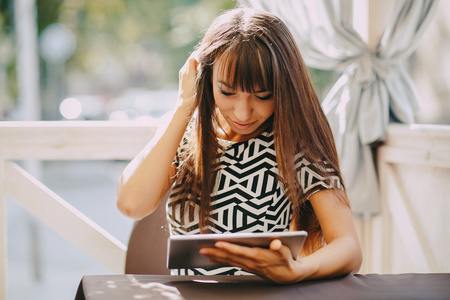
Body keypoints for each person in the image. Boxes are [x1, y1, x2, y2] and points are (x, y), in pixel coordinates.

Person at [117, 7, 362, 284]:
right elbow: (131, 205)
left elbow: (348, 246)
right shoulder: (187, 133)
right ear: (205, 76)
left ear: (283, 88)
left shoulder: (294, 144)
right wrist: (184, 104)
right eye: (227, 92)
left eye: (262, 95)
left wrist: (298, 270)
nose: (243, 113)